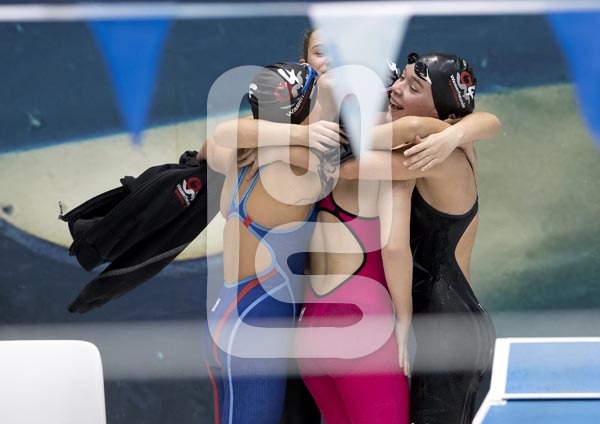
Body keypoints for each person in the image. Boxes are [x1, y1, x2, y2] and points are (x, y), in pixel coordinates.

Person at [239, 52, 498, 423]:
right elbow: (393, 245)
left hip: (320, 327)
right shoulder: (402, 160)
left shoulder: (429, 156)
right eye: (397, 81)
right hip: (380, 325)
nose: (396, 90)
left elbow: (479, 122)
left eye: (412, 86)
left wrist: (281, 139)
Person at [200, 62, 323, 424]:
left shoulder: (241, 155)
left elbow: (215, 140)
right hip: (256, 327)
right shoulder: (302, 166)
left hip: (227, 313)